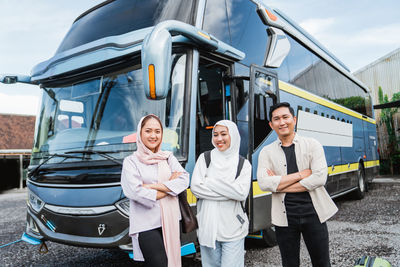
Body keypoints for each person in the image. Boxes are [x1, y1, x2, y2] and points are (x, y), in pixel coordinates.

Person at [257, 102, 338, 267]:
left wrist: (279, 184)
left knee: (322, 262)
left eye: (285, 117)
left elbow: (319, 178)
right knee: (289, 263)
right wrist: (301, 175)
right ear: (271, 125)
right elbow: (264, 183)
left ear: (294, 119)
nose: (282, 122)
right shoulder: (266, 152)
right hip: (284, 216)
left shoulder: (312, 144)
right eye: (277, 119)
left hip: (314, 214)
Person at [121, 114, 189, 267]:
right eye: (148, 131)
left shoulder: (167, 157)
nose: (153, 135)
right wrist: (170, 186)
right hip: (146, 224)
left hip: (170, 220)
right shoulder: (131, 162)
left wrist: (152, 186)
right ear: (140, 133)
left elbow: (184, 179)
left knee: (172, 261)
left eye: (157, 131)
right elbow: (135, 192)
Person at [191, 120, 251, 267]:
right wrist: (229, 191)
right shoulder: (205, 159)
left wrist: (209, 182)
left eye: (224, 134)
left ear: (234, 136)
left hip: (233, 229)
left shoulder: (243, 164)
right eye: (215, 134)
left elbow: (241, 193)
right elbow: (196, 188)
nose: (219, 139)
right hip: (207, 227)